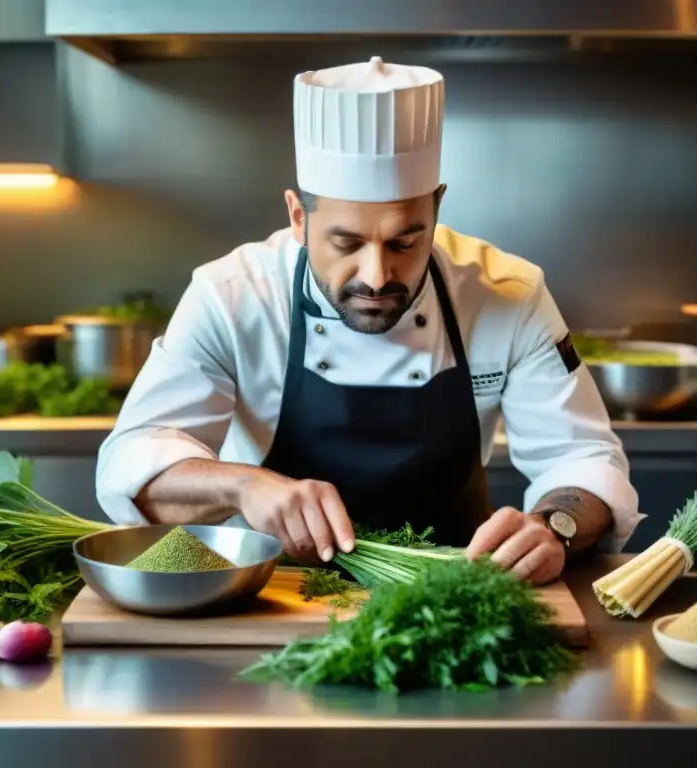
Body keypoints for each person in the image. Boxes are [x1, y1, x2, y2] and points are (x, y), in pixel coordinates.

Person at [96, 56, 642, 585]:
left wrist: (554, 527)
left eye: (406, 241)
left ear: (437, 209)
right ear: (297, 217)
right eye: (347, 243)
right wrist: (244, 487)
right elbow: (133, 465)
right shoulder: (232, 296)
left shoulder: (508, 294)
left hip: (456, 599)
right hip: (272, 599)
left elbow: (583, 458)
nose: (378, 276)